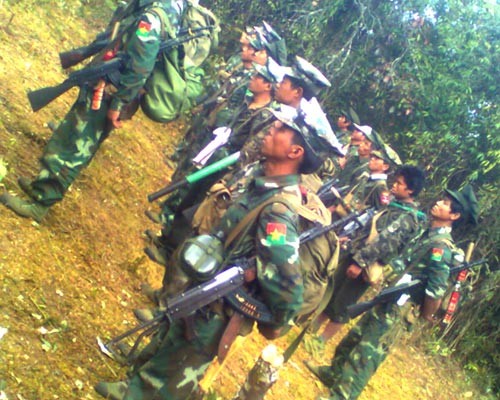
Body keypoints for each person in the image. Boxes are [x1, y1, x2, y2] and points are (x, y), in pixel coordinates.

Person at [95, 109, 332, 400]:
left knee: (181, 368)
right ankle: (136, 386)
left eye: (282, 128)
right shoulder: (261, 181)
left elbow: (286, 283)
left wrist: (274, 322)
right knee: (172, 343)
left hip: (220, 307)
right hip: (207, 287)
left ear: (295, 151)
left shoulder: (278, 212)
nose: (272, 127)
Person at [0, 0, 191, 222]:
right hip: (107, 84)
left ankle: (40, 203)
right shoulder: (169, 8)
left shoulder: (155, 16)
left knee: (75, 147)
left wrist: (119, 103)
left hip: (110, 92)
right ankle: (40, 185)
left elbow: (141, 66)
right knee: (70, 134)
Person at [306, 185, 479, 400]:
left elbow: (436, 289)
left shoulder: (441, 248)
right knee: (353, 340)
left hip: (399, 309)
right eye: (441, 199)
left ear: (454, 215)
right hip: (389, 297)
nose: (438, 203)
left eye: (445, 204)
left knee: (366, 357)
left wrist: (424, 314)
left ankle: (341, 396)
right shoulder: (427, 232)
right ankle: (333, 374)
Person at [315, 165, 427, 344]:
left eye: (399, 184)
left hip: (366, 263)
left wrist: (360, 262)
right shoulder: (393, 206)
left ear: (411, 190)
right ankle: (313, 328)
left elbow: (385, 242)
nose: (394, 186)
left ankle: (320, 340)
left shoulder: (408, 217)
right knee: (333, 290)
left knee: (343, 303)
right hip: (355, 253)